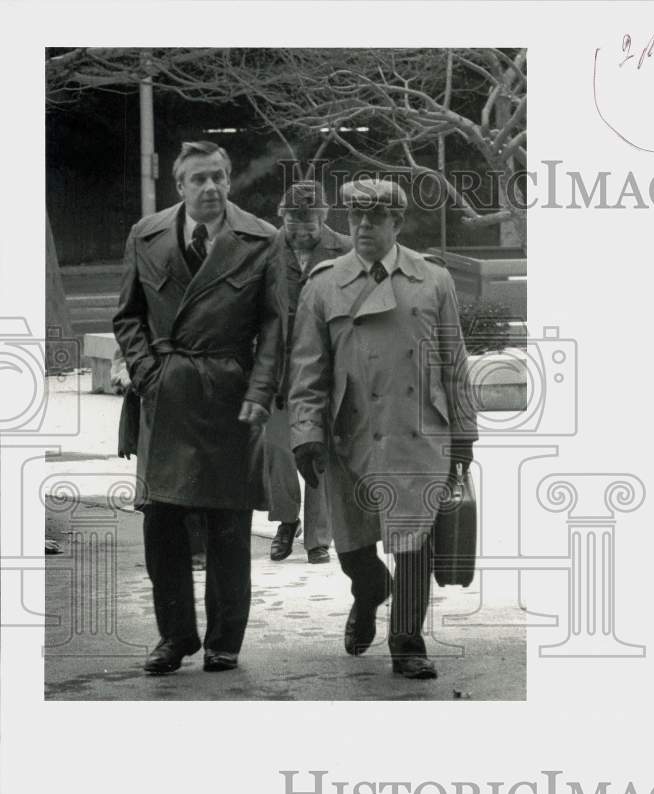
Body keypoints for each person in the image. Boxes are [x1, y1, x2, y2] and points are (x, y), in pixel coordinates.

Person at [288, 179, 478, 681]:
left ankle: (407, 640)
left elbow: (453, 360)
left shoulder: (433, 280)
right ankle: (369, 589)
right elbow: (308, 368)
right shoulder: (323, 284)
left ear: (398, 223)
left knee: (414, 540)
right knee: (353, 546)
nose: (364, 227)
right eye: (355, 218)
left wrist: (464, 431)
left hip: (418, 430)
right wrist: (306, 430)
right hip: (350, 433)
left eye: (375, 218)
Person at [113, 140, 281, 675]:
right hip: (167, 393)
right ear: (179, 186)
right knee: (162, 521)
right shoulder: (147, 235)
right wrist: (147, 374)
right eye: (197, 179)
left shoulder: (262, 239)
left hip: (229, 395)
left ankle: (224, 640)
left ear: (229, 181)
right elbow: (128, 316)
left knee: (228, 522)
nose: (209, 187)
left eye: (217, 177)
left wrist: (258, 392)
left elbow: (277, 326)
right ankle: (174, 636)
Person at [263, 181, 351, 564]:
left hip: (325, 366)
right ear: (281, 217)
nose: (300, 229)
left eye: (309, 220)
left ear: (324, 216)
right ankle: (286, 520)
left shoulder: (346, 250)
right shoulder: (266, 251)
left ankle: (318, 537)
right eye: (292, 219)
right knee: (278, 449)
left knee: (320, 449)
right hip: (276, 366)